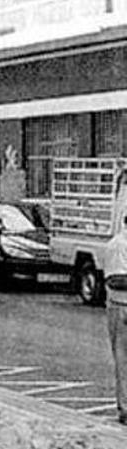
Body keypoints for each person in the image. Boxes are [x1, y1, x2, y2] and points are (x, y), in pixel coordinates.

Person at [106, 178, 127, 425]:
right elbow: (115, 279)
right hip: (122, 307)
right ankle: (125, 408)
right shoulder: (118, 245)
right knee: (123, 359)